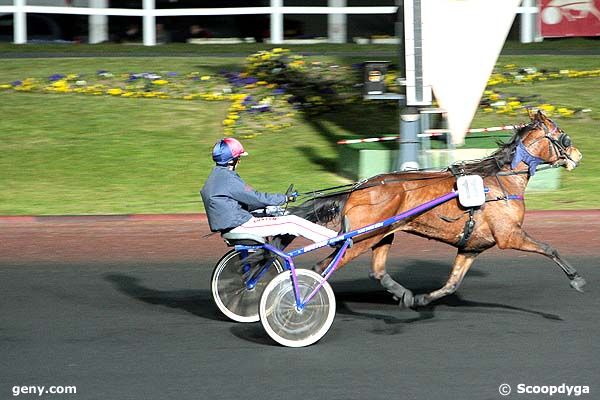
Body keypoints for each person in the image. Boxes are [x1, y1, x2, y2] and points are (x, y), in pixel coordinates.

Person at [200, 138, 337, 243]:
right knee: (292, 222)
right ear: (232, 161)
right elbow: (256, 198)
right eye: (238, 158)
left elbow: (246, 202)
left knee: (273, 212)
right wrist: (284, 198)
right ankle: (334, 238)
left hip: (233, 224)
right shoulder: (228, 179)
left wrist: (271, 205)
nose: (240, 161)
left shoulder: (214, 177)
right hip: (240, 226)